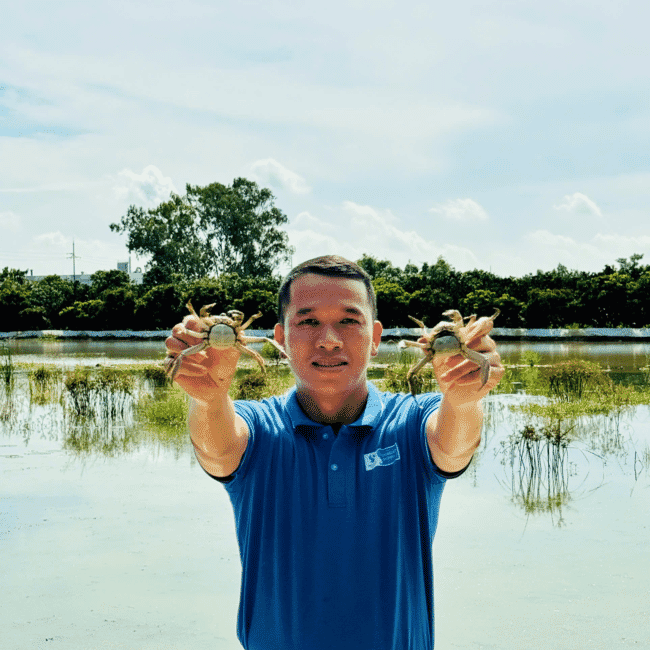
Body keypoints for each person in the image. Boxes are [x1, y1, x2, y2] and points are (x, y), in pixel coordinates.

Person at [165, 255, 504, 650]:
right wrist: (207, 399)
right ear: (281, 338)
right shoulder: (257, 428)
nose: (328, 339)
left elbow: (454, 443)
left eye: (348, 320)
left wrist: (464, 400)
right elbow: (218, 448)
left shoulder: (413, 421)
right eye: (308, 321)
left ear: (375, 337)